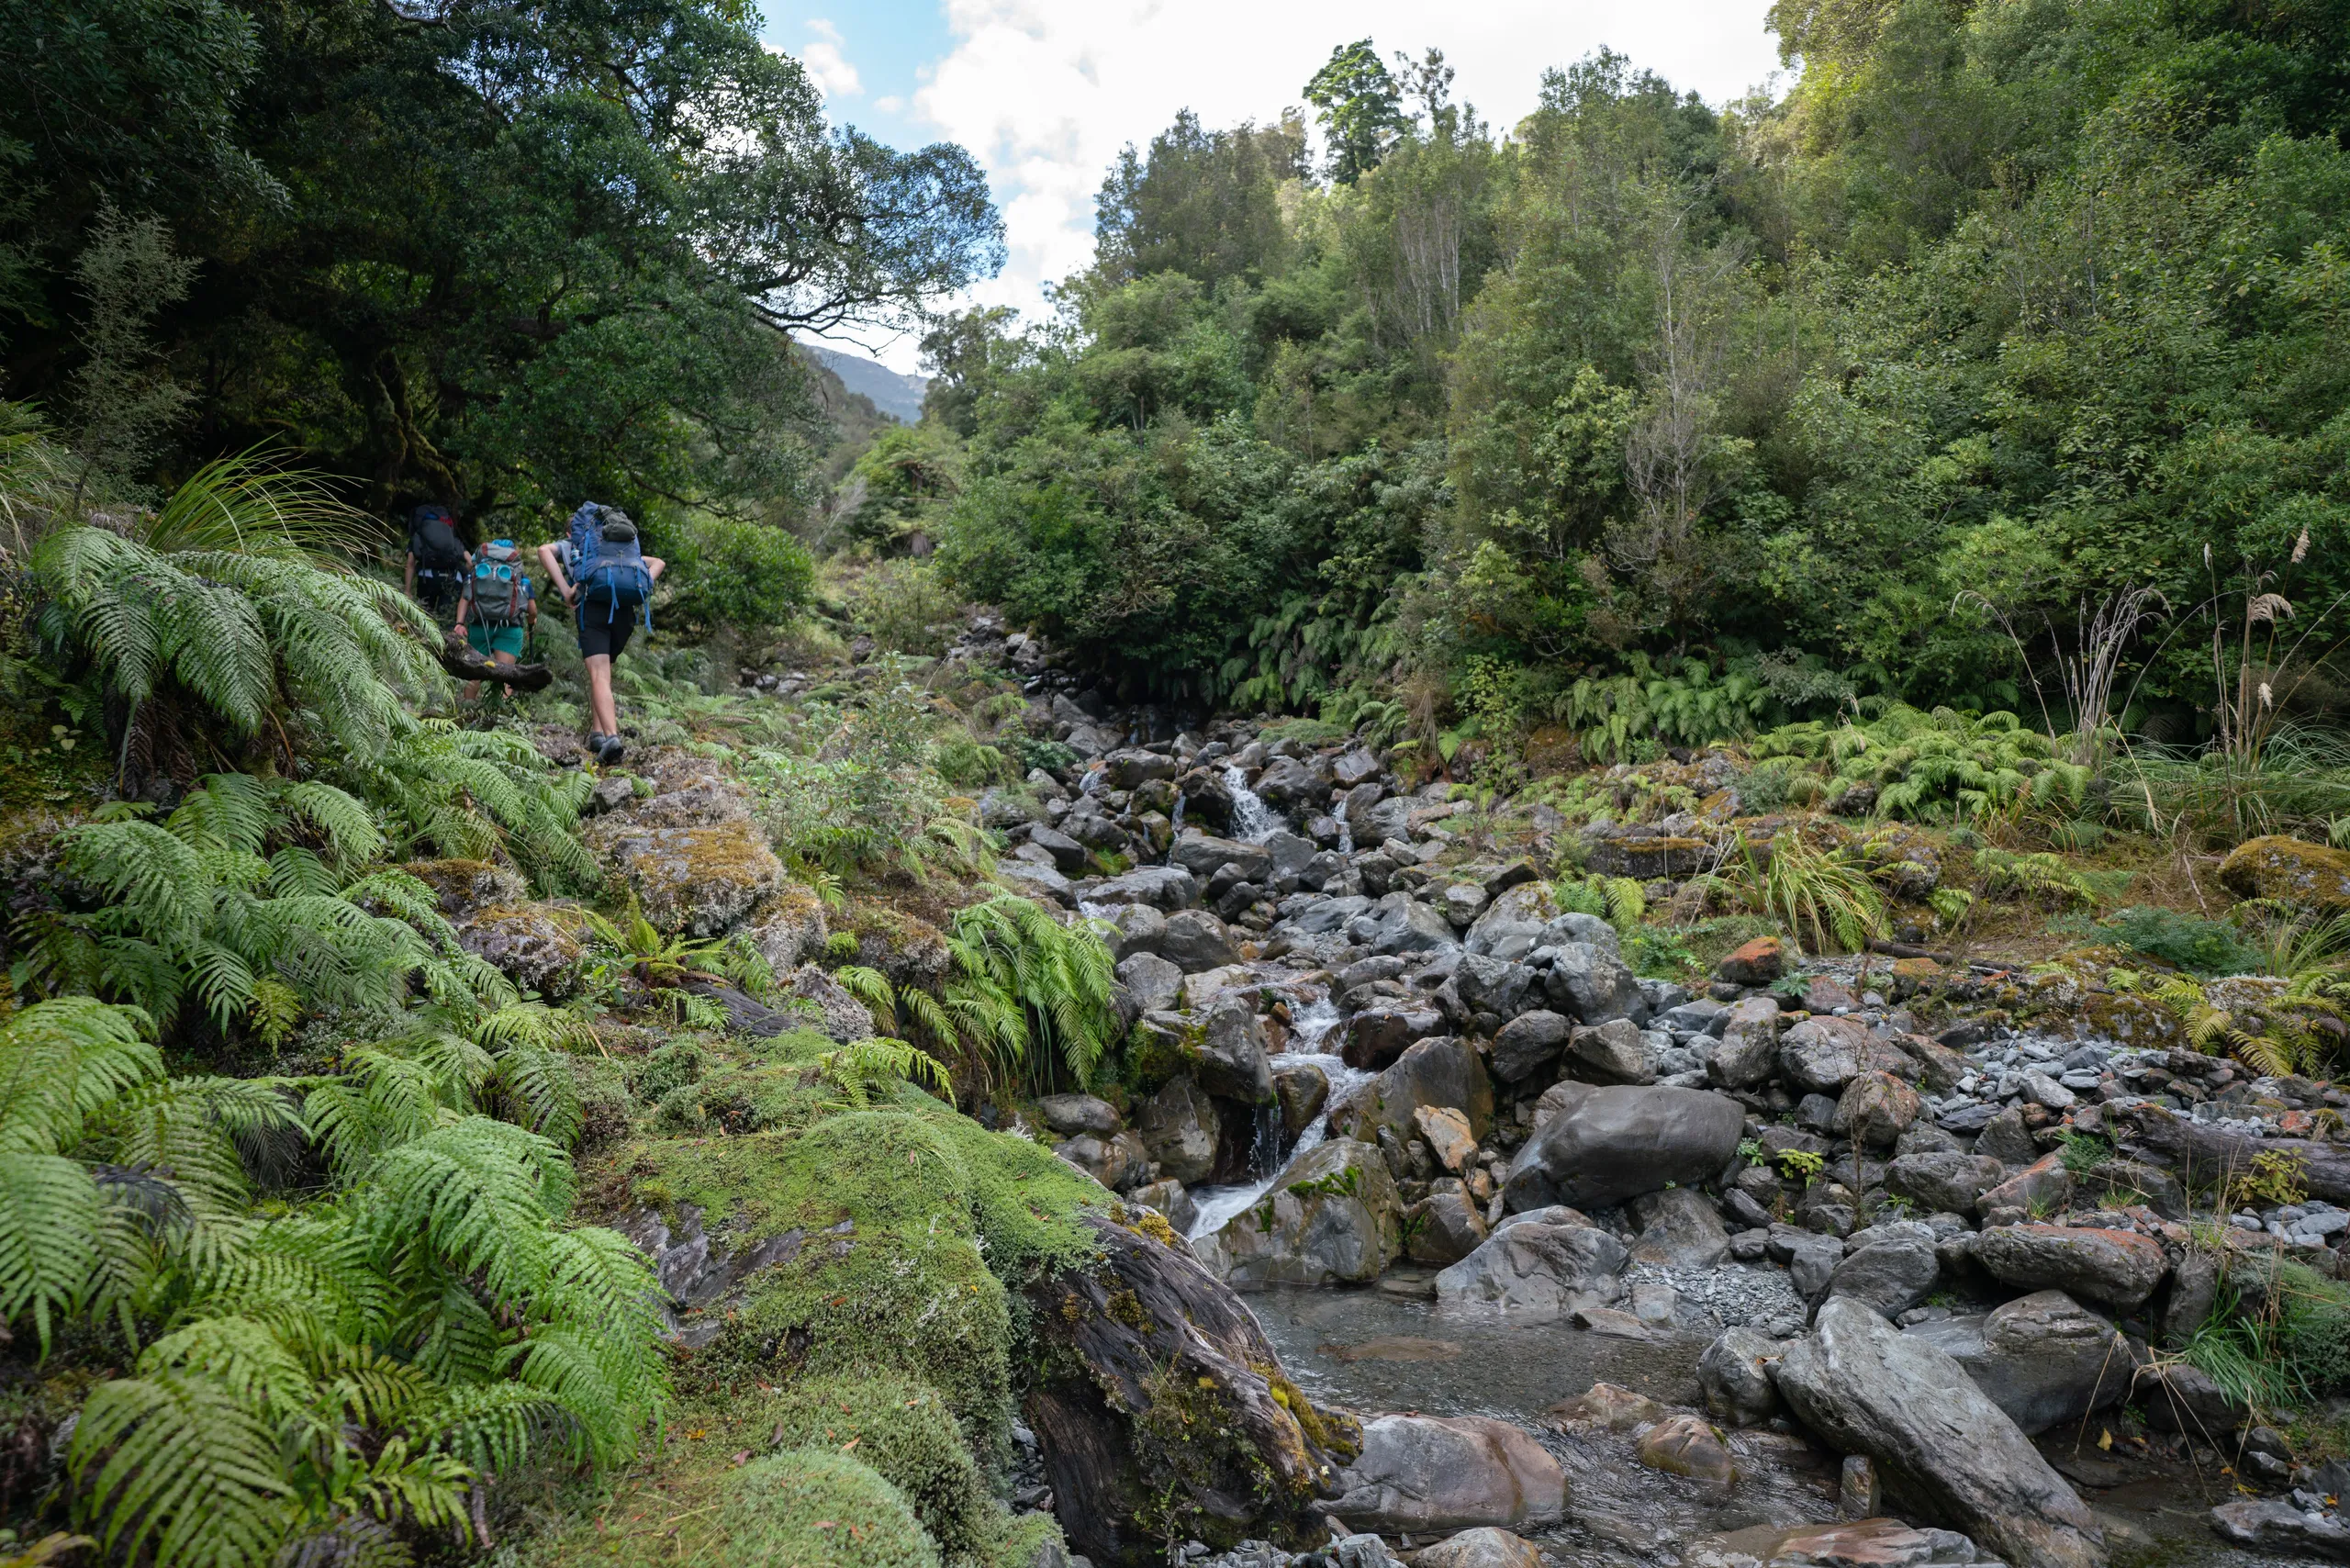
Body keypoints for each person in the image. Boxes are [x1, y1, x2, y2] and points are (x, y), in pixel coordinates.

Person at [539, 504, 663, 765]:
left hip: (593, 608)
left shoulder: (572, 544)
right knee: (603, 674)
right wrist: (644, 585)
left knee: (598, 674)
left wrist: (565, 589)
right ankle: (597, 733)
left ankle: (611, 737)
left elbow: (542, 551)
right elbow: (658, 563)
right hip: (624, 612)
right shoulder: (622, 550)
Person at [452, 537, 537, 701]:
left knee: (473, 674)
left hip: (479, 625)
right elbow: (531, 610)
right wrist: (532, 622)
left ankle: (466, 712)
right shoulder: (520, 577)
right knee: (505, 675)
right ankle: (499, 718)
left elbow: (465, 598)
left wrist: (459, 623)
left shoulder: (477, 573)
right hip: (509, 629)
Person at [404, 503, 469, 618]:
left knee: (425, 617)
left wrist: (407, 591)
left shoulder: (418, 536)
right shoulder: (453, 538)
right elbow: (470, 562)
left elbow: (410, 564)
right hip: (453, 579)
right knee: (446, 620)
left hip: (428, 578)